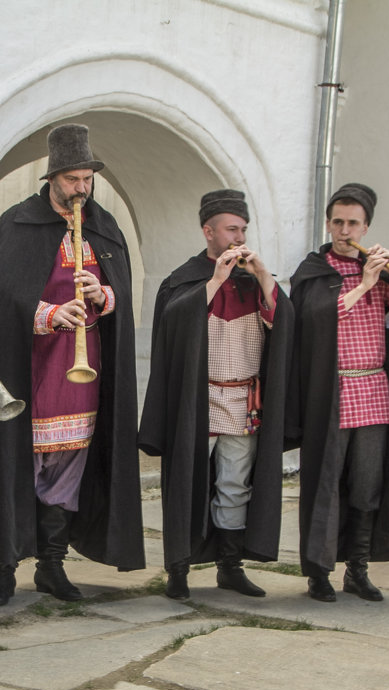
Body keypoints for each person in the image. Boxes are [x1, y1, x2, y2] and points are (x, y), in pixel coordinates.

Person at [0, 123, 144, 608]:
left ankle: (51, 563)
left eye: (87, 179)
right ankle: (3, 568)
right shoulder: (17, 222)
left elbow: (123, 291)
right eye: (72, 179)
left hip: (83, 377)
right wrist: (46, 313)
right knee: (16, 467)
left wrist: (104, 295)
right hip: (32, 369)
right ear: (52, 179)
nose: (81, 189)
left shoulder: (103, 227)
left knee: (69, 468)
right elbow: (3, 296)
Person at [139, 190, 291, 600]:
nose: (239, 237)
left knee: (235, 484)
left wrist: (262, 276)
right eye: (231, 229)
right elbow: (173, 324)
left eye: (243, 229)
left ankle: (230, 565)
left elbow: (283, 322)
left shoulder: (253, 280)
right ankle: (179, 569)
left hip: (243, 400)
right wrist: (216, 281)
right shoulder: (185, 279)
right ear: (208, 231)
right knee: (186, 483)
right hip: (198, 402)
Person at [286, 182, 389, 603]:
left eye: (353, 223)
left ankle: (358, 570)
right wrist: (364, 285)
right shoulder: (313, 271)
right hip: (330, 393)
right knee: (326, 484)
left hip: (373, 390)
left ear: (366, 227)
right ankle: (318, 573)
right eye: (337, 222)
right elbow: (315, 318)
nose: (344, 230)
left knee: (367, 485)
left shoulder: (379, 271)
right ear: (328, 223)